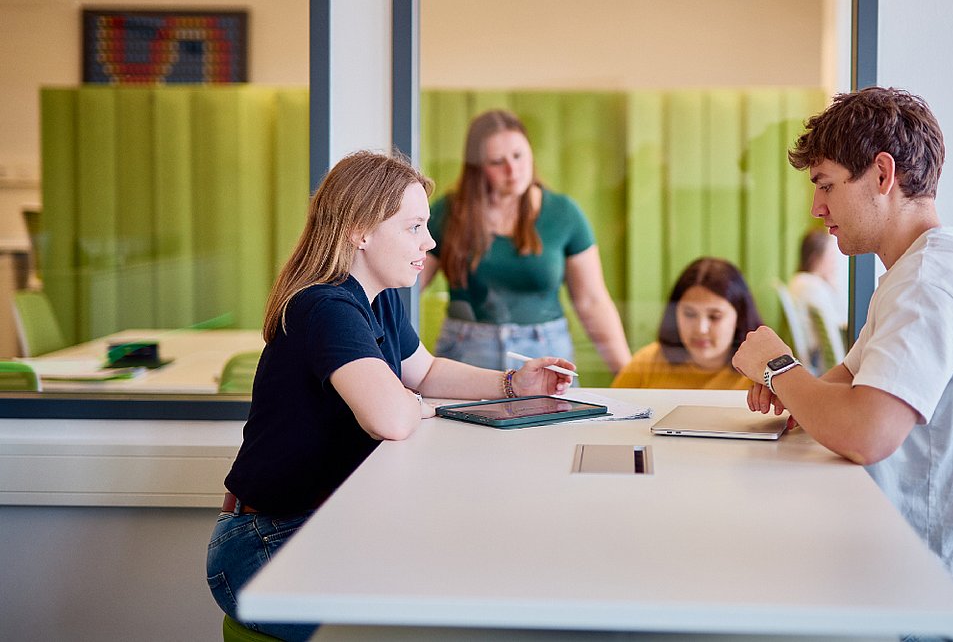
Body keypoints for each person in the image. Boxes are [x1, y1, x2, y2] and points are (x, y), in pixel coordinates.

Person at [206, 151, 573, 641]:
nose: (431, 240)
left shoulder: (377, 299)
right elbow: (391, 419)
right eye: (414, 227)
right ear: (360, 230)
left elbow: (424, 371)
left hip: (308, 527)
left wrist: (511, 384)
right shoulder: (325, 306)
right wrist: (419, 405)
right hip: (265, 546)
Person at [732, 87, 953, 642]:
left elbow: (866, 432)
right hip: (930, 590)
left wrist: (778, 366)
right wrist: (793, 391)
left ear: (881, 174)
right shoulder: (914, 273)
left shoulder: (929, 283)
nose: (816, 208)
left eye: (826, 185)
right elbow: (843, 388)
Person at [420, 109, 632, 374]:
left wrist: (627, 374)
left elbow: (592, 301)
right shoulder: (449, 213)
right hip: (467, 350)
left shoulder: (563, 213)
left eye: (519, 156)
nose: (513, 169)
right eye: (498, 162)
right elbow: (406, 287)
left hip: (546, 350)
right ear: (478, 167)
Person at [612, 257, 760, 389]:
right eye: (689, 314)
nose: (701, 329)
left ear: (739, 317)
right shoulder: (647, 363)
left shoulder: (759, 373)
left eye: (715, 317)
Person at [788, 227, 847, 371]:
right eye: (831, 256)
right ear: (816, 257)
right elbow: (837, 321)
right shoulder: (813, 286)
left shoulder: (798, 281)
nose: (834, 263)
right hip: (820, 360)